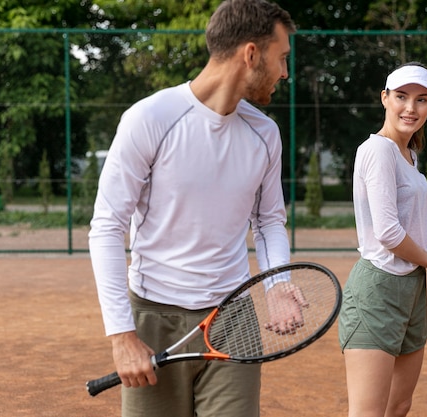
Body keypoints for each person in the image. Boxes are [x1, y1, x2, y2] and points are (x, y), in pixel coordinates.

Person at [88, 1, 300, 416]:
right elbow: (107, 226)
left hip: (233, 316)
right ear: (251, 54)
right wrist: (121, 335)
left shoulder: (265, 133)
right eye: (282, 58)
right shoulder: (149, 118)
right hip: (153, 317)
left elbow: (270, 220)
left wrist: (277, 286)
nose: (285, 73)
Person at [338, 63, 427, 417]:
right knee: (368, 412)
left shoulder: (410, 156)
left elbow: (402, 224)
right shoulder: (378, 150)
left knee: (399, 406)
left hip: (410, 291)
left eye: (421, 100)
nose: (411, 108)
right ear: (385, 98)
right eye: (402, 97)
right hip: (377, 290)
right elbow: (387, 232)